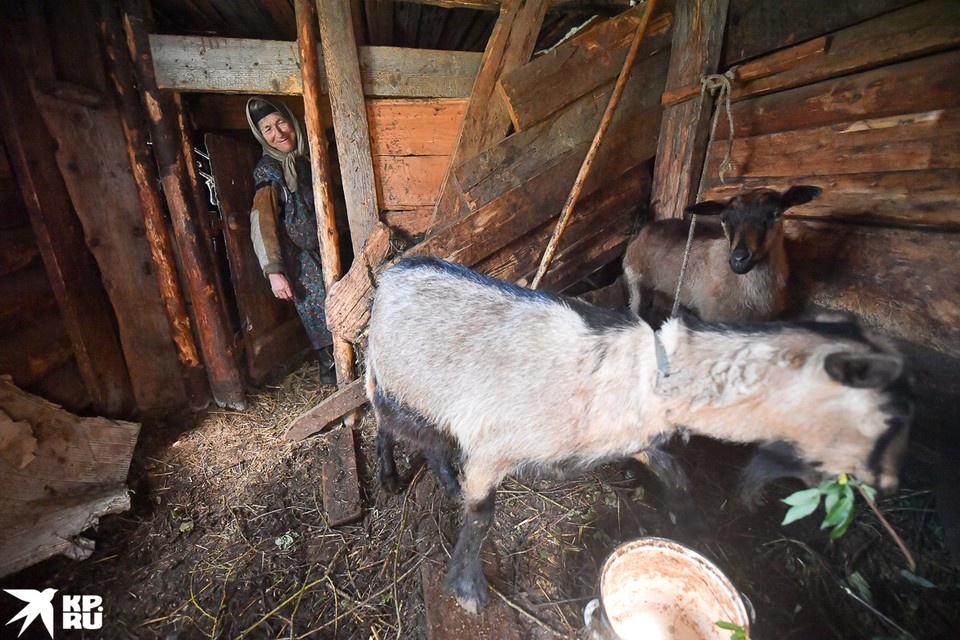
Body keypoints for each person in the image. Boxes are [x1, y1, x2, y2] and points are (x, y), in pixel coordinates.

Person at [246, 96, 336, 384]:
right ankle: (334, 381)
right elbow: (263, 221)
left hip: (335, 246)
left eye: (281, 122)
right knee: (322, 318)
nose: (279, 133)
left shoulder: (314, 156)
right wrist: (274, 272)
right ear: (261, 135)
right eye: (268, 129)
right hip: (302, 260)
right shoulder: (268, 170)